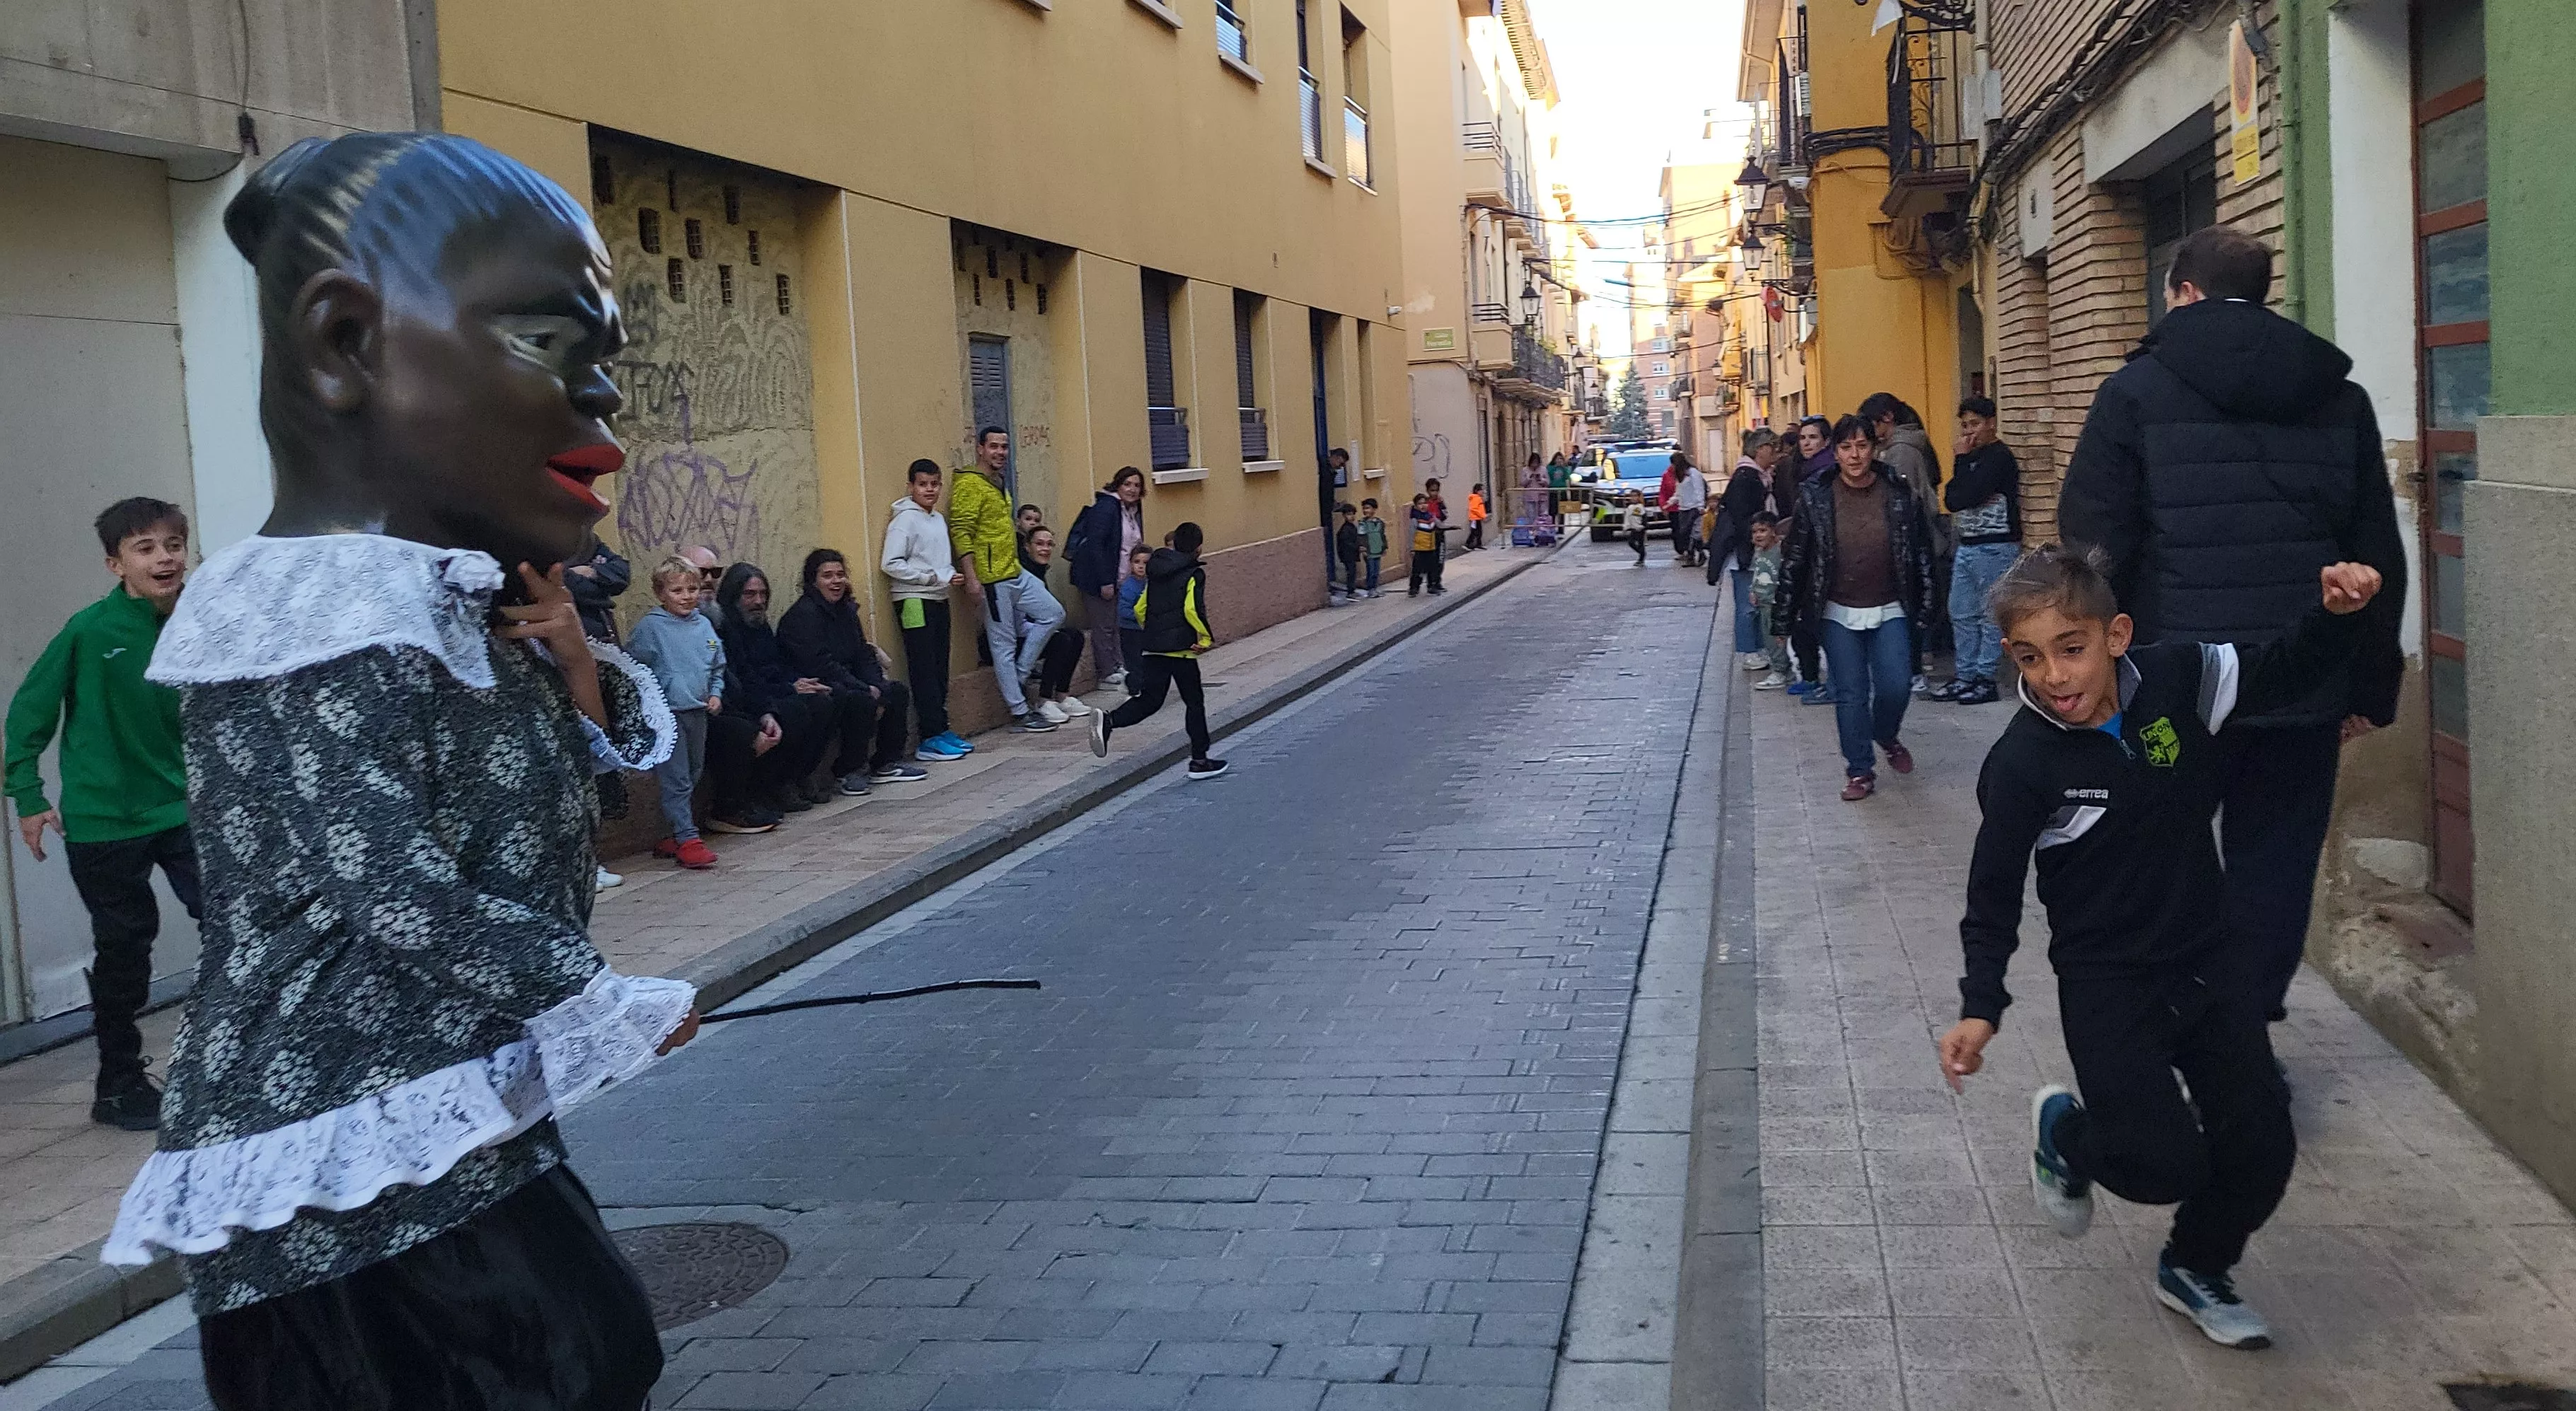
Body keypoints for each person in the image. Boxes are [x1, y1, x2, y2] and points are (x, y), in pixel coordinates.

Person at [99, 132, 693, 1410]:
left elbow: (551, 802)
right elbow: (400, 894)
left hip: (441, 1108)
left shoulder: (446, 596)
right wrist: (605, 998)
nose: (602, 412)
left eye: (605, 368)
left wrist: (583, 674)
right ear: (344, 345)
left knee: (592, 1362)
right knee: (574, 1365)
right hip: (333, 1159)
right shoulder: (306, 620)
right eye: (549, 346)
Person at [1938, 545, 2385, 1352]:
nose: (2053, 677)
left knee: (2261, 1146)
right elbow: (1992, 892)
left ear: (2114, 634)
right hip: (2107, 983)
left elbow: (2282, 671)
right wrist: (1981, 1004)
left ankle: (2194, 1265)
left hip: (2208, 961)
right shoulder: (2022, 764)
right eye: (2029, 658)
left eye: (2069, 649)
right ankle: (2067, 1136)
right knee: (2158, 1165)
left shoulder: (2180, 679)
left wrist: (2335, 617)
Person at [2059, 223, 2407, 1028]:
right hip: (2300, 684)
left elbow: (2092, 546)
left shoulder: (2131, 394)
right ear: (2261, 293)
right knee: (2275, 868)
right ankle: (2239, 1040)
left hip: (2170, 690)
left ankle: (2171, 1028)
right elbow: (2372, 551)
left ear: (2180, 291)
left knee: (2155, 851)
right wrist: (2366, 685)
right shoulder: (2338, 397)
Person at [6, 497, 199, 1131]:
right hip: (104, 821)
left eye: (173, 543)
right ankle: (117, 1081)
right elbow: (28, 716)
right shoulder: (89, 631)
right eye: (145, 548)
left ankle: (231, 1057)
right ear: (116, 564)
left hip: (184, 807)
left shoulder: (203, 620)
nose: (164, 558)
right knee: (125, 945)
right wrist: (28, 797)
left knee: (236, 916)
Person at [1775, 414, 1935, 801]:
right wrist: (1782, 619)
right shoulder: (1815, 496)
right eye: (1846, 447)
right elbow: (1796, 559)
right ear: (1835, 451)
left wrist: (1928, 606)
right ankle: (1860, 770)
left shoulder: (1897, 492)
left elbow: (1920, 554)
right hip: (1836, 611)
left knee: (1896, 685)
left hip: (1891, 607)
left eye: (1862, 446)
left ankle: (1885, 733)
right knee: (1851, 693)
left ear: (1874, 447)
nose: (1854, 455)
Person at [780, 548, 930, 794]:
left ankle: (886, 763)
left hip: (849, 676)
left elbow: (862, 653)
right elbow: (821, 665)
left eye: (840, 574)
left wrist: (877, 685)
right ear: (813, 581)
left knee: (896, 691)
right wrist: (863, 687)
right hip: (820, 682)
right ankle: (848, 771)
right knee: (858, 700)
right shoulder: (803, 616)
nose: (836, 581)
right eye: (827, 576)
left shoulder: (847, 611)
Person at [1088, 522, 1225, 781]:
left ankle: (1109, 721)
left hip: (1152, 649)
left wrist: (1153, 633)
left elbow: (1141, 608)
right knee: (1194, 703)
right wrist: (1205, 639)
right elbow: (1192, 609)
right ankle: (1199, 760)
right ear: (1199, 548)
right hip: (1181, 652)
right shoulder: (1193, 574)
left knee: (1150, 701)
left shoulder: (1156, 573)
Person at [628, 557, 737, 867]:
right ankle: (689, 839)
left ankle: (675, 835)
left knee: (693, 774)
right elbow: (635, 670)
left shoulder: (704, 624)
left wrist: (716, 693)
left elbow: (717, 665)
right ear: (661, 594)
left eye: (692, 588)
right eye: (677, 590)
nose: (687, 596)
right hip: (668, 716)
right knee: (676, 779)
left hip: (698, 712)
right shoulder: (650, 628)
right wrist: (650, 706)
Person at [952, 426, 1061, 731]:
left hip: (1012, 569)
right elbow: (961, 531)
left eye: (1004, 447)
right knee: (1003, 643)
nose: (1000, 452)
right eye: (994, 447)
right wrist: (972, 578)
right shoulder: (969, 485)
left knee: (1054, 613)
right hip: (990, 577)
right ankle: (1019, 711)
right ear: (981, 449)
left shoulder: (998, 481)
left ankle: (1020, 673)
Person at [715, 563, 836, 811]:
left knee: (825, 701)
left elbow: (777, 664)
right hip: (747, 699)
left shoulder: (760, 626)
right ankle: (772, 786)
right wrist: (789, 690)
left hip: (774, 690)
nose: (758, 601)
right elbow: (745, 678)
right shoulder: (727, 628)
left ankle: (798, 777)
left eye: (762, 594)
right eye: (749, 595)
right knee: (793, 713)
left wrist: (796, 682)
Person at [1931, 395, 2022, 705]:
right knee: (1961, 612)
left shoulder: (1999, 458)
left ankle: (1986, 679)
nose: (1970, 432)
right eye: (1965, 425)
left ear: (1992, 423)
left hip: (1996, 547)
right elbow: (1952, 499)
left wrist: (1960, 461)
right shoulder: (1971, 458)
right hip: (1968, 546)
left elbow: (1966, 494)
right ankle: (1964, 675)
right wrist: (1963, 471)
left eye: (1976, 424)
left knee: (1988, 616)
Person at [882, 458, 973, 760]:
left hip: (937, 598)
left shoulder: (937, 519)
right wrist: (928, 578)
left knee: (938, 667)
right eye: (923, 484)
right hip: (912, 601)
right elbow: (891, 564)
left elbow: (938, 562)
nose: (929, 490)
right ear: (911, 486)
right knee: (922, 667)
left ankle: (940, 727)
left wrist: (947, 576)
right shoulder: (904, 520)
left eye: (934, 484)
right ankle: (928, 738)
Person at [1860, 393, 1946, 695]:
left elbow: (1907, 501)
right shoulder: (1907, 446)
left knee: (1908, 607)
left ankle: (1913, 671)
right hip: (1914, 541)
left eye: (1871, 425)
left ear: (1887, 419)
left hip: (1910, 542)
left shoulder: (1901, 452)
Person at [1067, 466, 1146, 688]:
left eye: (1137, 485)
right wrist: (1105, 581)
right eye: (1127, 484)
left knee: (1116, 623)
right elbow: (1096, 546)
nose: (1132, 489)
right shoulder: (1107, 508)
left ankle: (1118, 665)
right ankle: (1106, 673)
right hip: (1097, 578)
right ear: (1117, 485)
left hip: (1120, 577)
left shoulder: (1132, 509)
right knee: (1104, 626)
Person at [1706, 429, 1779, 667]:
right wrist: (1758, 539)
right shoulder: (1747, 478)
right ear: (1760, 450)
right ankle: (1750, 651)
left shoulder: (1758, 476)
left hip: (1751, 550)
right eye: (1772, 446)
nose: (1775, 451)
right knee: (1749, 603)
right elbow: (1742, 519)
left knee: (1757, 600)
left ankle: (1757, 648)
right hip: (1745, 553)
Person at [1012, 525, 1094, 723]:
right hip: (1015, 638)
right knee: (1060, 641)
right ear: (1026, 547)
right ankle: (1044, 699)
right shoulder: (1022, 575)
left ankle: (1062, 695)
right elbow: (1018, 621)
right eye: (1039, 544)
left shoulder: (1040, 572)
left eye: (1049, 545)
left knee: (1075, 636)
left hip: (1034, 633)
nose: (1045, 549)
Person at [1746, 513, 1792, 690]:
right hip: (1763, 602)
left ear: (1774, 531)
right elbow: (1757, 573)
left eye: (1763, 531)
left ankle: (1780, 671)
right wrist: (1753, 590)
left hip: (1777, 603)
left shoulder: (1780, 551)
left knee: (1777, 639)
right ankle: (1782, 669)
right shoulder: (1758, 552)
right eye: (1755, 532)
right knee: (1768, 637)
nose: (1758, 535)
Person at [566, 532, 630, 645]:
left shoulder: (584, 540)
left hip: (605, 636)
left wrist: (591, 571)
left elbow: (622, 573)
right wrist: (604, 592)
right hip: (568, 638)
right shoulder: (535, 543)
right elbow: (569, 586)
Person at [1116, 545, 1151, 685]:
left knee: (1146, 661)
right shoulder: (1129, 586)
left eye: (1146, 563)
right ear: (1130, 563)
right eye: (1137, 562)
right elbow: (1124, 611)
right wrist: (1143, 616)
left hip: (1145, 630)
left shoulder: (1151, 583)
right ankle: (1134, 689)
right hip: (1130, 630)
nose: (1141, 567)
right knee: (1134, 661)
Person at [1407, 492, 1441, 596]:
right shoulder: (1415, 519)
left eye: (1425, 503)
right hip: (1420, 548)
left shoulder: (1431, 517)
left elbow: (1439, 525)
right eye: (1420, 504)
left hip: (1431, 547)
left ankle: (1431, 586)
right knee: (1417, 570)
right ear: (1416, 506)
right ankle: (1414, 588)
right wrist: (1412, 548)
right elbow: (1411, 534)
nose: (1423, 505)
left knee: (1432, 569)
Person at [1333, 503, 1365, 600]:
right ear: (1344, 516)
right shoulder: (1345, 529)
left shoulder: (1351, 527)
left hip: (1350, 555)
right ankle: (1350, 592)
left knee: (1352, 572)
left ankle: (1352, 590)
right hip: (1347, 555)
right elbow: (1347, 543)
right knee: (1351, 572)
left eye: (1353, 514)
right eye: (1349, 514)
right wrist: (1357, 548)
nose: (1352, 517)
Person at [1357, 498, 1387, 598]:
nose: (1366, 511)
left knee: (1376, 571)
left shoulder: (1379, 523)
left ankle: (1375, 588)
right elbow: (1361, 536)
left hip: (1377, 549)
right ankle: (1370, 589)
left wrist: (1384, 547)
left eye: (1368, 508)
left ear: (1374, 510)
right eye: (1364, 508)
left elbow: (1383, 535)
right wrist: (1363, 548)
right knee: (1371, 570)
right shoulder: (1362, 523)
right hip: (1369, 551)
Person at [1622, 492, 1648, 565]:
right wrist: (1626, 527)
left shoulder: (1640, 507)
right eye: (1632, 496)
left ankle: (1641, 558)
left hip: (1640, 528)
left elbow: (1644, 517)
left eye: (1635, 496)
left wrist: (1643, 526)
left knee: (1640, 543)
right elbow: (1627, 518)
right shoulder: (1629, 507)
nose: (1633, 498)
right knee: (1631, 542)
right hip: (1633, 528)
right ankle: (1641, 554)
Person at [1465, 484, 1489, 552]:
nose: (1483, 492)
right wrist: (1483, 516)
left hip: (1477, 518)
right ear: (1476, 491)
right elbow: (1474, 509)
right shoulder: (1476, 498)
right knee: (1475, 532)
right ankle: (1468, 544)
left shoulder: (1478, 498)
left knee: (1478, 532)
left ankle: (1478, 544)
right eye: (1481, 490)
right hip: (1475, 518)